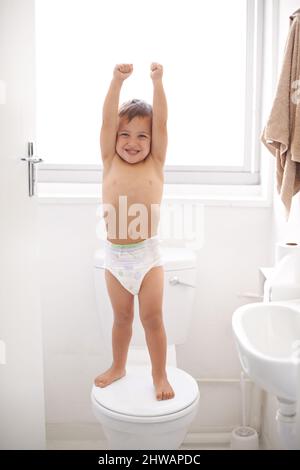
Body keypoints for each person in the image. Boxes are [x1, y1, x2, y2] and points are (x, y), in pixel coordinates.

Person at [94, 63, 174, 400]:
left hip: (148, 257)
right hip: (116, 259)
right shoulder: (109, 159)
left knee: (152, 319)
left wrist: (157, 83)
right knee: (122, 319)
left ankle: (159, 375)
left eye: (142, 135)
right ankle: (118, 366)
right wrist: (116, 82)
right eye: (125, 134)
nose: (132, 142)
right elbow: (107, 120)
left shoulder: (155, 161)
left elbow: (162, 124)